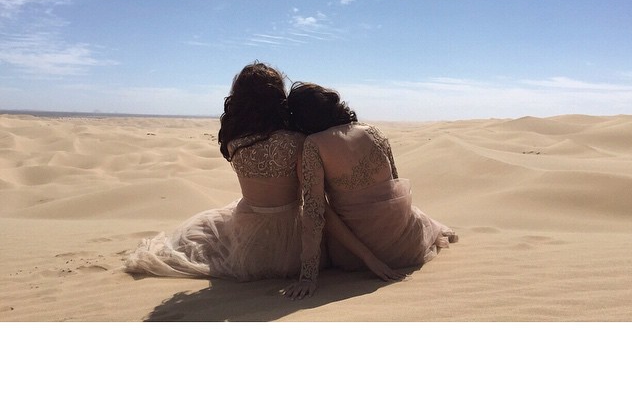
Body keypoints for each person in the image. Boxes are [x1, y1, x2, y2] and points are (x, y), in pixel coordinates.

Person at [124, 62, 399, 283]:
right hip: (293, 247)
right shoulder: (298, 142)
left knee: (214, 230)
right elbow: (318, 208)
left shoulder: (234, 142)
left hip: (249, 247)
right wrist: (364, 256)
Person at [283, 82, 458, 299]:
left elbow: (315, 212)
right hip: (405, 243)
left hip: (353, 256)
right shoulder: (373, 131)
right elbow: (396, 190)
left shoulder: (313, 144)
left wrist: (308, 277)